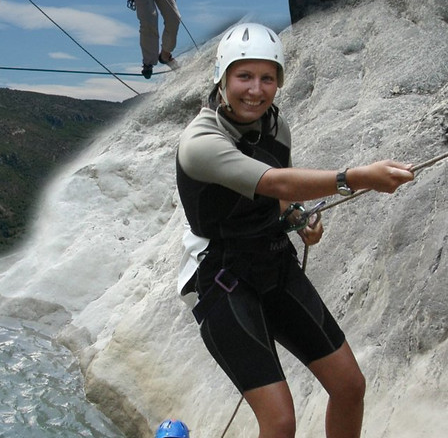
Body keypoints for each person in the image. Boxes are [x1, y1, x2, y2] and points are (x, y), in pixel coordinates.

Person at [175, 23, 415, 438]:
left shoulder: (274, 127)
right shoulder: (200, 141)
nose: (256, 89)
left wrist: (296, 219)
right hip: (222, 279)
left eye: (267, 78)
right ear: (222, 77)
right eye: (243, 76)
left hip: (272, 263)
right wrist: (356, 177)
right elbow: (273, 183)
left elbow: (278, 195)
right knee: (281, 421)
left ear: (279, 82)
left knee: (349, 386)